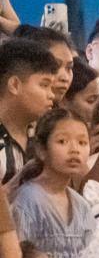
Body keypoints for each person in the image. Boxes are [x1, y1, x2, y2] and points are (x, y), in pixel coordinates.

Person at [10, 110, 95, 258]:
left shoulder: (81, 205)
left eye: (82, 142)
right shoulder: (28, 200)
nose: (74, 150)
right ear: (41, 150)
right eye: (62, 141)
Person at [0, 38, 59, 185]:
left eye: (52, 87)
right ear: (15, 85)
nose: (51, 95)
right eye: (44, 85)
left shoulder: (46, 135)